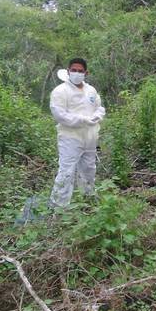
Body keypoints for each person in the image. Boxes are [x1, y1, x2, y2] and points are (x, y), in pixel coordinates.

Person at [48, 58, 105, 208]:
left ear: (86, 73)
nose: (77, 73)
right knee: (67, 171)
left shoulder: (90, 90)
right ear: (68, 71)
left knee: (88, 168)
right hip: (70, 137)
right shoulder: (60, 91)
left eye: (80, 71)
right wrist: (83, 119)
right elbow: (59, 114)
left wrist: (97, 116)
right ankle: (58, 208)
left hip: (90, 136)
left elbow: (99, 107)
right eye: (74, 70)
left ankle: (88, 199)